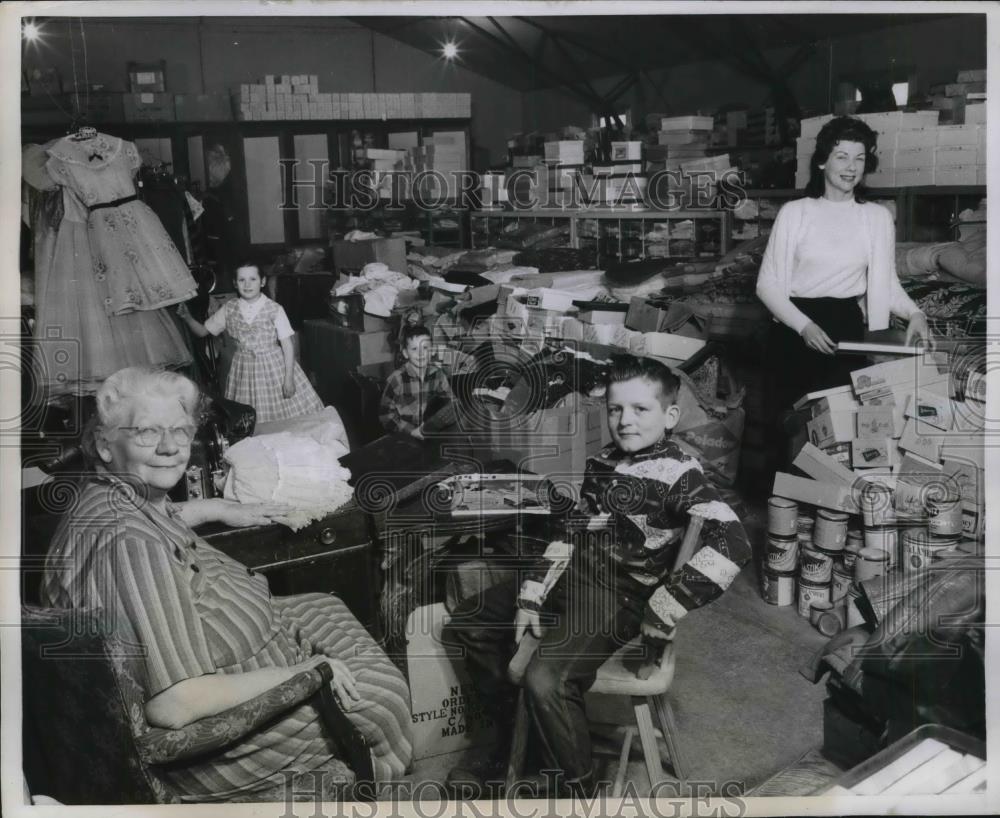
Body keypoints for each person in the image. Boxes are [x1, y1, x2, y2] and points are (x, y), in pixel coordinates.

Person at [39, 367, 412, 802]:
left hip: (231, 666)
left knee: (323, 606)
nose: (169, 447)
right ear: (105, 445)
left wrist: (213, 506)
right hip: (209, 744)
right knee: (385, 697)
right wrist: (298, 672)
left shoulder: (113, 496)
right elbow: (175, 703)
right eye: (146, 433)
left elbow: (158, 519)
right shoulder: (128, 545)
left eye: (179, 430)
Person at [441, 355, 751, 797]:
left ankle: (579, 794)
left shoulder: (682, 474)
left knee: (546, 678)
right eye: (615, 409)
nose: (625, 421)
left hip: (617, 596)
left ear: (670, 415)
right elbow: (568, 532)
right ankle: (514, 737)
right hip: (574, 578)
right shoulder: (604, 460)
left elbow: (733, 542)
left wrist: (664, 608)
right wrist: (532, 595)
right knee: (471, 622)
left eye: (641, 410)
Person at [756, 116, 933, 422]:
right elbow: (766, 285)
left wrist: (916, 313)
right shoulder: (795, 213)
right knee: (787, 429)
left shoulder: (876, 218)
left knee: (839, 431)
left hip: (845, 332)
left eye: (859, 158)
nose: (851, 167)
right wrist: (804, 326)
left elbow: (886, 283)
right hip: (793, 328)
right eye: (842, 157)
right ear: (823, 162)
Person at [179, 263, 323, 422]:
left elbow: (288, 345)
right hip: (244, 370)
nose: (247, 284)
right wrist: (187, 317)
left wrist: (288, 378)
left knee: (285, 414)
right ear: (235, 283)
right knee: (248, 415)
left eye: (252, 279)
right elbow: (202, 331)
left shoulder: (274, 308)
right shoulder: (229, 308)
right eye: (242, 280)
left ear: (262, 282)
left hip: (275, 368)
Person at [379, 323, 455, 438]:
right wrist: (411, 431)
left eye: (425, 347)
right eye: (414, 349)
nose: (420, 353)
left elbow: (450, 401)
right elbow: (385, 416)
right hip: (403, 435)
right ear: (405, 353)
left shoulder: (438, 375)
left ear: (433, 350)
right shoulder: (396, 379)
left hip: (429, 432)